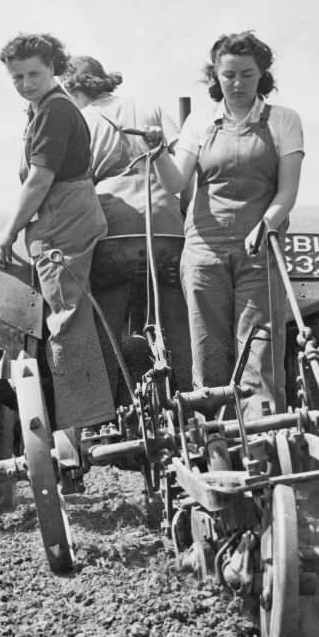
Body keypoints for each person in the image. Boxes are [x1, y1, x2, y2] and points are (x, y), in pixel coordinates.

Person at [151, 31, 304, 417]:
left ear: (262, 75)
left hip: (259, 250)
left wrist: (266, 225)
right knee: (210, 355)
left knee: (260, 354)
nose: (237, 84)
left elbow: (287, 192)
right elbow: (175, 182)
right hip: (204, 253)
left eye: (247, 75)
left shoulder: (284, 121)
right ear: (215, 76)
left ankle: (266, 450)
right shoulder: (201, 122)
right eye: (229, 75)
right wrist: (157, 153)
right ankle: (217, 452)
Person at [0, 33, 114, 436]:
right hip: (60, 218)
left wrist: (7, 234)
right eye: (17, 77)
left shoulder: (54, 112)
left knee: (66, 320)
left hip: (63, 221)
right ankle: (82, 419)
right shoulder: (44, 109)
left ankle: (85, 426)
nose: (25, 83)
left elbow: (39, 181)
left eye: (33, 74)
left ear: (55, 68)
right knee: (66, 317)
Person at [62, 56, 192, 397]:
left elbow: (75, 182)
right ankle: (194, 398)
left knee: (107, 320)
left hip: (113, 230)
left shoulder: (81, 119)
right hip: (167, 227)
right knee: (177, 317)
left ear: (74, 87)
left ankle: (108, 408)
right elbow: (182, 167)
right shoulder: (152, 109)